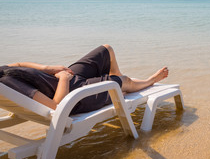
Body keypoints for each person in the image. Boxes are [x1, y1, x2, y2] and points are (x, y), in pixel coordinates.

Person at [0, 44, 169, 115]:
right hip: (75, 96)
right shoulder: (9, 84)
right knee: (123, 81)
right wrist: (64, 79)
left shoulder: (1, 72)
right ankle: (148, 81)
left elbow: (18, 64)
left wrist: (47, 68)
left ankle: (116, 86)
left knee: (106, 49)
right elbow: (56, 108)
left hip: (63, 78)